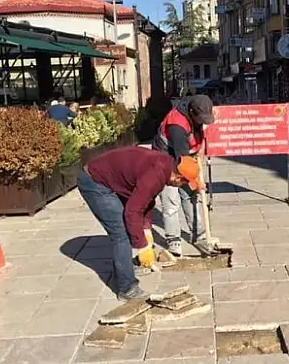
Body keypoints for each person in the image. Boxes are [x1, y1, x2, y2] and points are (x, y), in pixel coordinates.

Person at [78, 146, 200, 300]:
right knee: (121, 233)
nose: (182, 186)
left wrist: (146, 230)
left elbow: (146, 202)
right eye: (184, 184)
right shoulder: (155, 175)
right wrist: (142, 246)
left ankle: (125, 268)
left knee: (130, 227)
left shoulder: (165, 166)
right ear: (178, 178)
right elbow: (132, 211)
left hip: (108, 179)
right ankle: (127, 289)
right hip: (95, 183)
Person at [152, 94, 215, 256]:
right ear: (192, 112)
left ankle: (198, 233)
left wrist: (199, 158)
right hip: (165, 158)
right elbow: (183, 163)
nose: (202, 121)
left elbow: (199, 143)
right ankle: (174, 240)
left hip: (184, 156)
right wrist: (196, 182)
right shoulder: (177, 125)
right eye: (200, 118)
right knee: (171, 201)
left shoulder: (197, 114)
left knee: (191, 196)